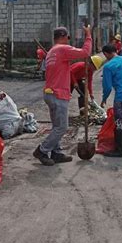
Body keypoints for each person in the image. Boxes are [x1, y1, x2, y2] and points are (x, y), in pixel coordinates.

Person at [33, 26, 92, 166]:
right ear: (64, 36)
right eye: (68, 38)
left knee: (56, 126)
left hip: (50, 93)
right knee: (62, 127)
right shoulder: (62, 49)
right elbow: (85, 52)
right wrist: (88, 36)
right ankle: (42, 150)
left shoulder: (52, 52)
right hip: (58, 94)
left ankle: (56, 152)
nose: (68, 41)